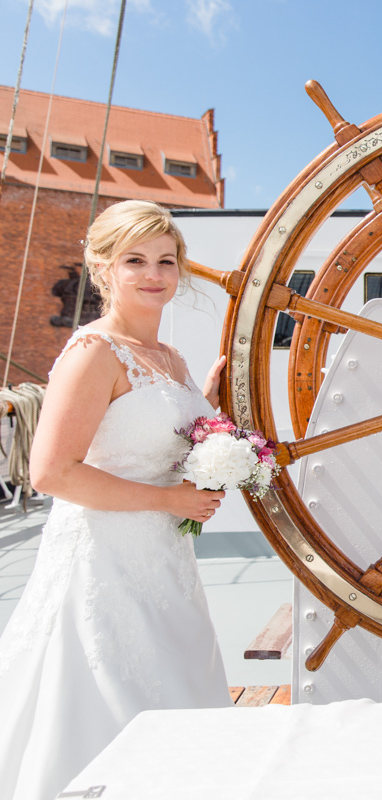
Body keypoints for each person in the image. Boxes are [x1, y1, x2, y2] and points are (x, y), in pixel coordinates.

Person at [0, 200, 231, 800]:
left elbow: (163, 433)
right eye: (135, 260)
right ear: (103, 267)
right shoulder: (92, 353)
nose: (154, 274)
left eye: (166, 260)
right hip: (103, 560)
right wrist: (170, 501)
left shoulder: (173, 360)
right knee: (104, 699)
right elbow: (50, 473)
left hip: (165, 564)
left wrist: (205, 411)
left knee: (177, 689)